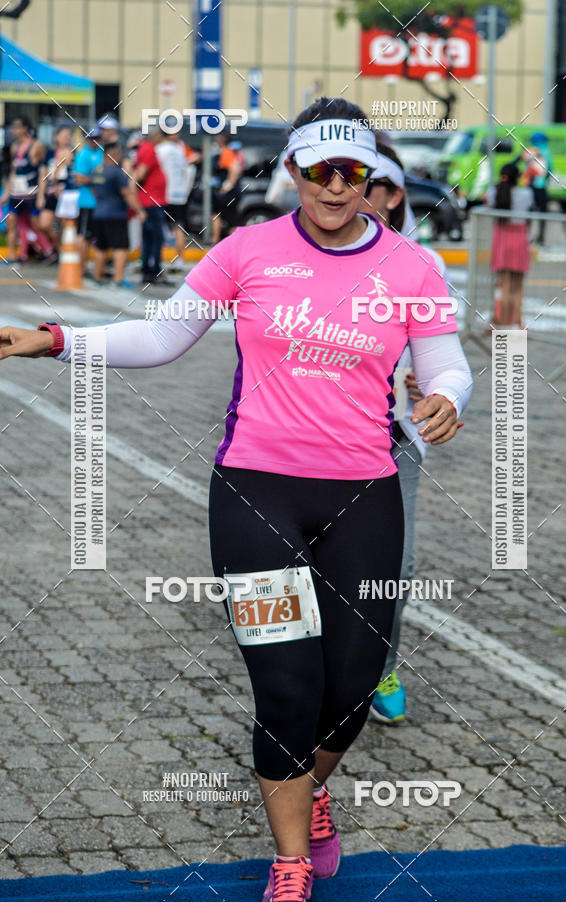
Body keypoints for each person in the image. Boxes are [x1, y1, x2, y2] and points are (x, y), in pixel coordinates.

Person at [0, 96, 473, 902]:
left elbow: (446, 361)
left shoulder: (411, 267)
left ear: (371, 179)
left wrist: (448, 397)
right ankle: (290, 860)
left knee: (353, 686)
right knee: (286, 687)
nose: (332, 186)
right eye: (316, 171)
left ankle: (312, 788)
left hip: (366, 492)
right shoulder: (247, 251)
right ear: (291, 172)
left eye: (349, 172)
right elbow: (161, 336)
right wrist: (56, 338)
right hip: (255, 495)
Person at [359, 141, 471, 724]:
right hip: (312, 442)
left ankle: (380, 668)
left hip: (393, 440)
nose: (343, 190)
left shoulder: (423, 263)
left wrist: (437, 390)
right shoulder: (303, 252)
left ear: (393, 193)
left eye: (361, 178)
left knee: (393, 568)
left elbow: (444, 353)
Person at [0, 116, 55, 264]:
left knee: (36, 224)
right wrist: (6, 194)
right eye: (13, 127)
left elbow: (42, 172)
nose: (14, 130)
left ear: (25, 128)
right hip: (16, 193)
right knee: (12, 222)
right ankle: (13, 256)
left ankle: (49, 250)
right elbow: (13, 172)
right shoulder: (14, 148)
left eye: (17, 127)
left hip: (31, 193)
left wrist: (41, 196)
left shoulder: (36, 146)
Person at [91, 142, 146, 288]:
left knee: (100, 247)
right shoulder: (117, 172)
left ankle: (97, 276)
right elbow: (126, 193)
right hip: (115, 214)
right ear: (115, 155)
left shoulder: (97, 171)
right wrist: (139, 210)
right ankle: (118, 279)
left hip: (99, 213)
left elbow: (94, 191)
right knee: (120, 247)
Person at [487, 162, 534, 329]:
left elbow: (488, 201)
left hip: (501, 238)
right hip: (520, 238)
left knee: (503, 283)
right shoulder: (526, 193)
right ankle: (516, 321)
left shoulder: (495, 192)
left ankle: (501, 320)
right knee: (517, 285)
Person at [156, 128, 200, 270]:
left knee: (160, 226)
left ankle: (155, 257)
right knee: (178, 226)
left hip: (164, 194)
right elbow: (192, 160)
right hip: (180, 194)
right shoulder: (181, 147)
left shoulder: (160, 149)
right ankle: (179, 259)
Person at [134, 126, 170, 285]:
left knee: (149, 238)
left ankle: (148, 270)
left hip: (151, 200)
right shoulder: (148, 150)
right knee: (155, 238)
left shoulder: (147, 149)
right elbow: (140, 174)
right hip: (151, 201)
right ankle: (153, 270)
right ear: (156, 135)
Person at [72, 126, 104, 278]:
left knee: (94, 237)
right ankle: (81, 267)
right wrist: (98, 180)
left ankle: (93, 267)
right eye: (92, 138)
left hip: (100, 203)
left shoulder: (102, 152)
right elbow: (79, 178)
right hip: (87, 202)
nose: (95, 141)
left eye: (97, 138)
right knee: (83, 236)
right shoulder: (83, 154)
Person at [37, 125, 74, 256]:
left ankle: (67, 254)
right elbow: (44, 175)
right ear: (56, 137)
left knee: (66, 225)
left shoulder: (74, 153)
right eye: (63, 135)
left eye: (69, 135)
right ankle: (60, 249)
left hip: (67, 193)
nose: (66, 138)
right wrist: (40, 196)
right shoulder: (49, 154)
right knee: (44, 224)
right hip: (51, 192)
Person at [519, 132, 552, 245]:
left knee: (529, 211)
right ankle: (541, 238)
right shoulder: (547, 152)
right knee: (542, 213)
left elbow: (524, 168)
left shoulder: (529, 151)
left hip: (529, 186)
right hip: (541, 186)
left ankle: (525, 236)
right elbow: (550, 169)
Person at [211, 130, 243, 244]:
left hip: (229, 193)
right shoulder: (231, 152)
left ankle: (217, 241)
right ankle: (224, 241)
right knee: (223, 216)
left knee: (228, 218)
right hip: (232, 192)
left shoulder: (226, 152)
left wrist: (227, 186)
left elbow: (235, 168)